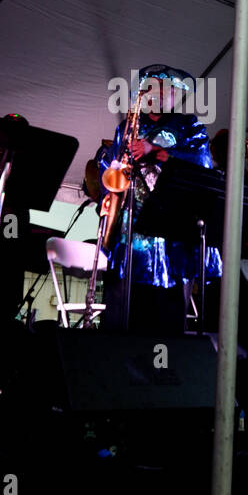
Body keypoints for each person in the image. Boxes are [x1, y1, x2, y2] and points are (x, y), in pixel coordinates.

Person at [97, 65, 221, 336]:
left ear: (177, 95)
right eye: (153, 88)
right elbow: (110, 167)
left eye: (169, 90)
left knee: (167, 318)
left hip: (172, 233)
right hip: (133, 231)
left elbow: (203, 165)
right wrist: (110, 165)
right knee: (125, 314)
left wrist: (158, 152)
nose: (162, 95)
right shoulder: (128, 126)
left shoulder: (190, 126)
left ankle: (163, 369)